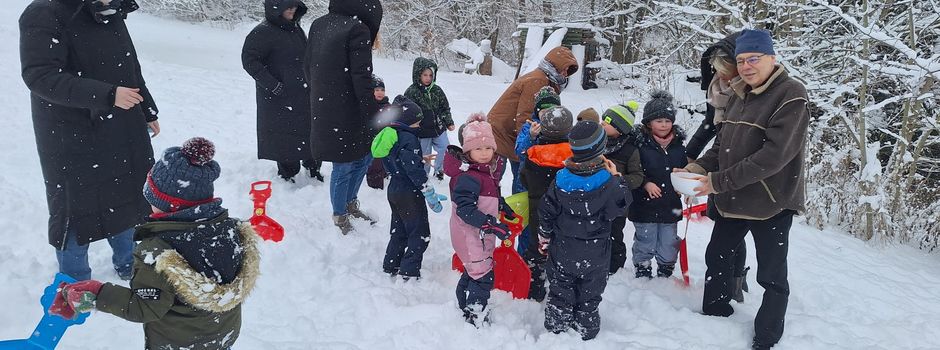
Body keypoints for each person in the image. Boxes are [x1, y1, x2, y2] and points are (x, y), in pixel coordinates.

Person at [49, 138, 260, 350]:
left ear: (170, 205)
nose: (149, 205)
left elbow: (144, 308)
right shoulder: (231, 231)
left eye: (153, 199)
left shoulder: (159, 254)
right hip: (222, 335)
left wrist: (99, 293)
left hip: (178, 343)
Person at [680, 29, 810, 350]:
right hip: (734, 198)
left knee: (772, 276)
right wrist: (697, 168)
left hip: (771, 202)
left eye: (754, 58)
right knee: (718, 257)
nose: (746, 66)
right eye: (741, 60)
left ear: (772, 58)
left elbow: (773, 157)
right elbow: (722, 145)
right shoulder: (739, 93)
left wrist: (716, 182)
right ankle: (714, 318)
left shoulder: (791, 94)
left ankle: (766, 338)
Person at [20, 0, 161, 281]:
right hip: (70, 131)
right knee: (74, 208)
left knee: (128, 195)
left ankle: (130, 264)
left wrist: (146, 109)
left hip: (122, 122)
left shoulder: (110, 10)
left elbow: (129, 66)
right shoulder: (45, 12)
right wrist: (107, 95)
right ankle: (75, 281)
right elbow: (41, 76)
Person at [539, 121, 632, 340]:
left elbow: (546, 210)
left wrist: (544, 235)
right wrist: (618, 178)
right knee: (590, 294)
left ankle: (557, 329)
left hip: (564, 247)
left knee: (560, 290)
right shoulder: (609, 182)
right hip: (595, 251)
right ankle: (586, 328)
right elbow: (620, 206)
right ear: (601, 149)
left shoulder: (561, 179)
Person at [304, 0, 383, 234]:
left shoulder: (318, 24)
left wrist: (321, 93)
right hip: (350, 109)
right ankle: (340, 215)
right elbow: (362, 78)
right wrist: (373, 114)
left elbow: (307, 67)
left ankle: (349, 205)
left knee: (359, 159)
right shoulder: (358, 29)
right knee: (349, 163)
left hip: (325, 106)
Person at [687, 31, 750, 302]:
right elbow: (710, 124)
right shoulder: (717, 88)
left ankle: (736, 279)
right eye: (716, 68)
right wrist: (690, 155)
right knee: (725, 223)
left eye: (725, 69)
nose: (720, 74)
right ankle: (728, 281)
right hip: (721, 156)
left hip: (744, 164)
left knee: (736, 222)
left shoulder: (749, 90)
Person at [242, 0, 323, 183]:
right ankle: (288, 173)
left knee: (309, 131)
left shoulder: (295, 28)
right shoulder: (262, 32)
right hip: (279, 96)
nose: (293, 10)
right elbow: (249, 61)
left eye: (294, 6)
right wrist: (273, 85)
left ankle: (313, 167)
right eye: (288, 7)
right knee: (284, 135)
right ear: (276, 8)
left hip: (303, 92)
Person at [445, 113, 512, 326]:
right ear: (468, 151)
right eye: (478, 149)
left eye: (488, 148)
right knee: (483, 277)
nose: (484, 153)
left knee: (474, 270)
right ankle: (476, 316)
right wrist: (492, 225)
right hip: (471, 234)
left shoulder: (482, 172)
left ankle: (464, 303)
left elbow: (487, 197)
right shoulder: (468, 177)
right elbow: (465, 210)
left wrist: (502, 206)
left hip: (477, 234)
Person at [371, 96, 447, 279]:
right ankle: (409, 271)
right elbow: (413, 170)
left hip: (395, 189)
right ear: (408, 121)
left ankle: (391, 264)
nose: (419, 125)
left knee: (399, 230)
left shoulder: (392, 134)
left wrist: (419, 158)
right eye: (417, 122)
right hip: (409, 192)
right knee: (419, 233)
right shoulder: (409, 138)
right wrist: (427, 190)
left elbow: (398, 158)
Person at [488, 47, 578, 194]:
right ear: (555, 65)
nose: (565, 73)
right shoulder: (538, 80)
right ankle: (497, 204)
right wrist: (528, 143)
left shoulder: (547, 79)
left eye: (569, 70)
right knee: (505, 177)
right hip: (502, 133)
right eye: (564, 68)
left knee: (517, 176)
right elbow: (525, 116)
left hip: (510, 132)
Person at [628, 91, 688, 278]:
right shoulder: (639, 145)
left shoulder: (678, 146)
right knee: (645, 239)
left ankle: (666, 268)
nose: (664, 125)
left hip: (670, 204)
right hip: (644, 204)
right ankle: (643, 267)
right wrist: (645, 183)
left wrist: (685, 187)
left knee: (669, 241)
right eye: (659, 121)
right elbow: (634, 170)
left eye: (667, 121)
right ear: (648, 123)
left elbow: (684, 170)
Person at [517, 106, 573, 301]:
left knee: (537, 248)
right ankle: (561, 287)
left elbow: (524, 179)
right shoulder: (574, 155)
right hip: (566, 212)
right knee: (563, 250)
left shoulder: (533, 153)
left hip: (538, 210)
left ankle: (535, 289)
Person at [598, 102, 645, 275]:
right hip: (596, 200)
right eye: (603, 119)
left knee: (614, 234)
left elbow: (638, 177)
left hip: (617, 203)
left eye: (607, 122)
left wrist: (618, 178)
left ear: (620, 129)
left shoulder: (630, 150)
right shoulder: (597, 142)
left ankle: (615, 268)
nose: (602, 123)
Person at [404, 57, 454, 181]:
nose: (428, 78)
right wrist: (411, 127)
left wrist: (448, 122)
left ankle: (439, 170)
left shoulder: (437, 90)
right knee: (425, 154)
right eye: (425, 75)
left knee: (444, 147)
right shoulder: (412, 92)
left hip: (438, 127)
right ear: (418, 75)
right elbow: (407, 112)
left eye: (431, 75)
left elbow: (445, 108)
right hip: (423, 131)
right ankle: (424, 173)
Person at [366, 74, 390, 190]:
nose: (380, 93)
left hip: (385, 139)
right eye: (377, 90)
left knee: (384, 161)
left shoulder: (388, 106)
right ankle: (374, 186)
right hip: (373, 140)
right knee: (375, 163)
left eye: (382, 90)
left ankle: (384, 174)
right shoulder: (370, 106)